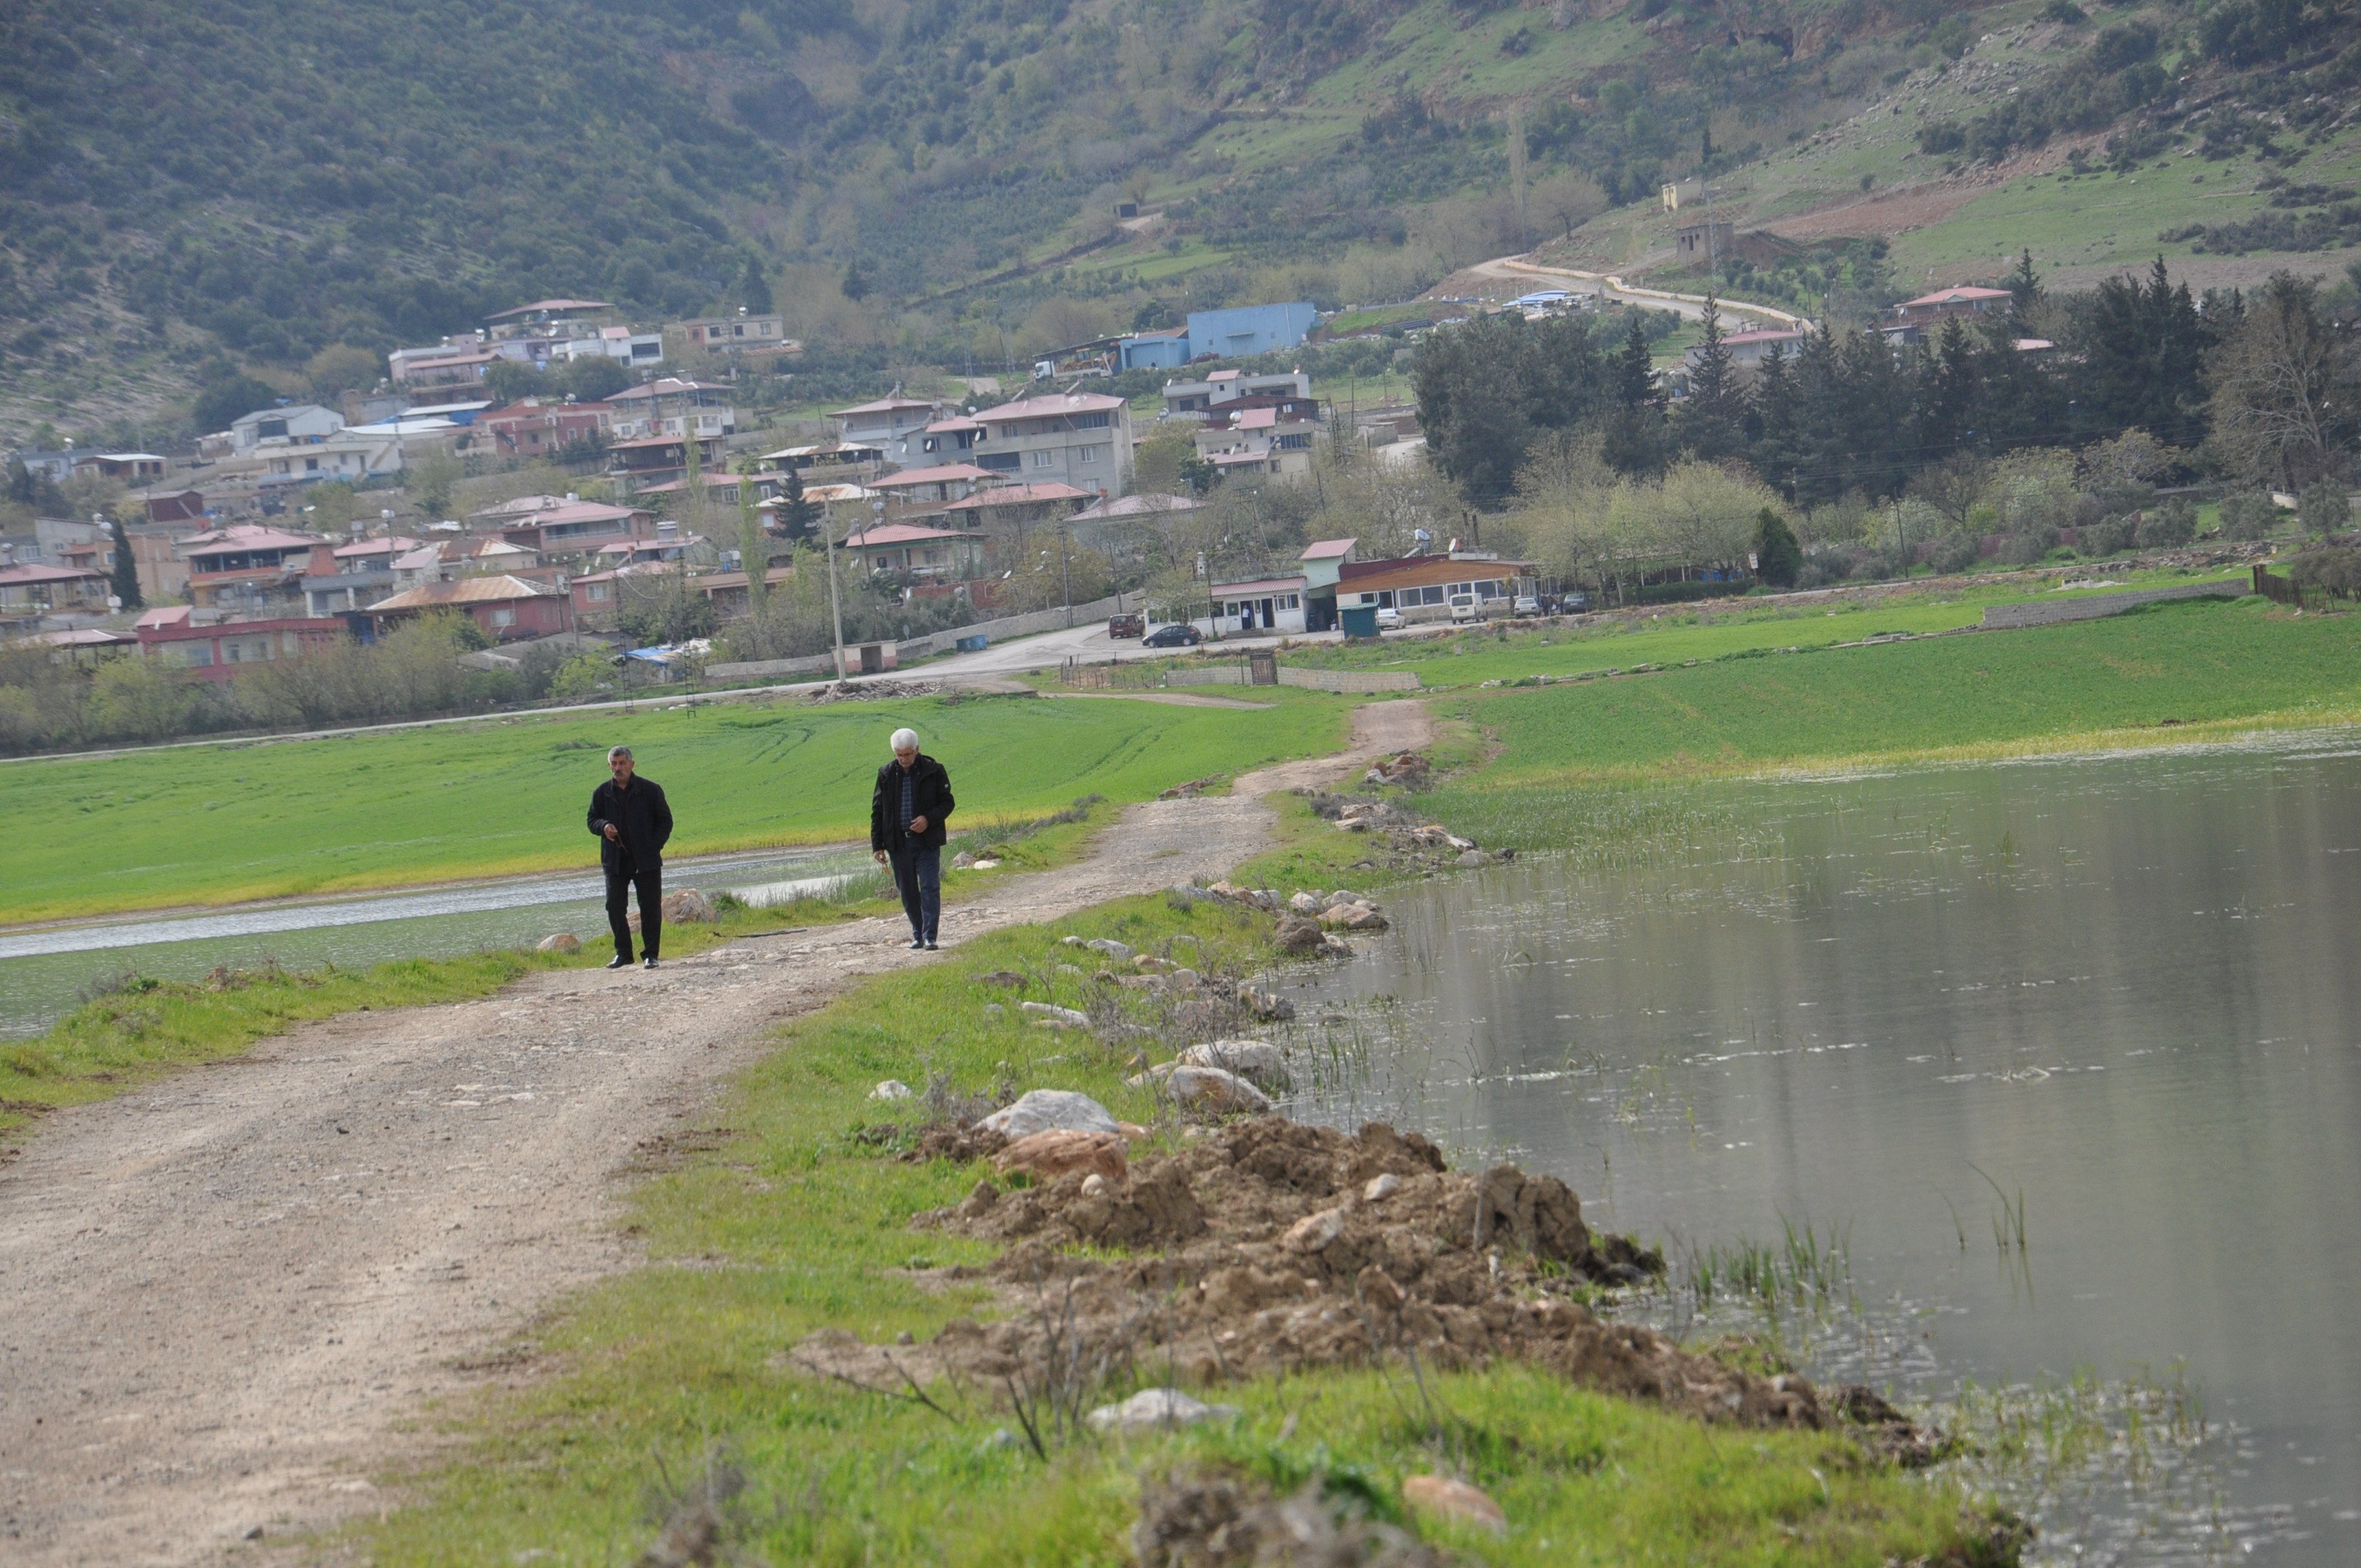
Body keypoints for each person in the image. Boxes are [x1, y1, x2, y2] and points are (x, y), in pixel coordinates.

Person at [587, 744, 672, 970]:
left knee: (650, 908)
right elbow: (592, 820)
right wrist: (604, 826)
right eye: (614, 764)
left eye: (622, 763)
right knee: (614, 906)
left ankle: (651, 955)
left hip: (646, 860)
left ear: (632, 764)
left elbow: (665, 822)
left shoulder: (651, 790)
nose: (618, 768)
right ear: (609, 766)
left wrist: (653, 846)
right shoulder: (601, 793)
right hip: (615, 859)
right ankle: (623, 954)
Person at [871, 725, 954, 951]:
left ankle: (930, 936)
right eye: (899, 755)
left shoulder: (934, 771)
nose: (904, 759)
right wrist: (877, 845)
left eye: (908, 754)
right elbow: (878, 811)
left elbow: (948, 803)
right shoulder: (886, 774)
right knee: (907, 890)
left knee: (929, 887)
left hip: (927, 842)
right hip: (898, 844)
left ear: (917, 749)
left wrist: (928, 819)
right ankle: (917, 933)